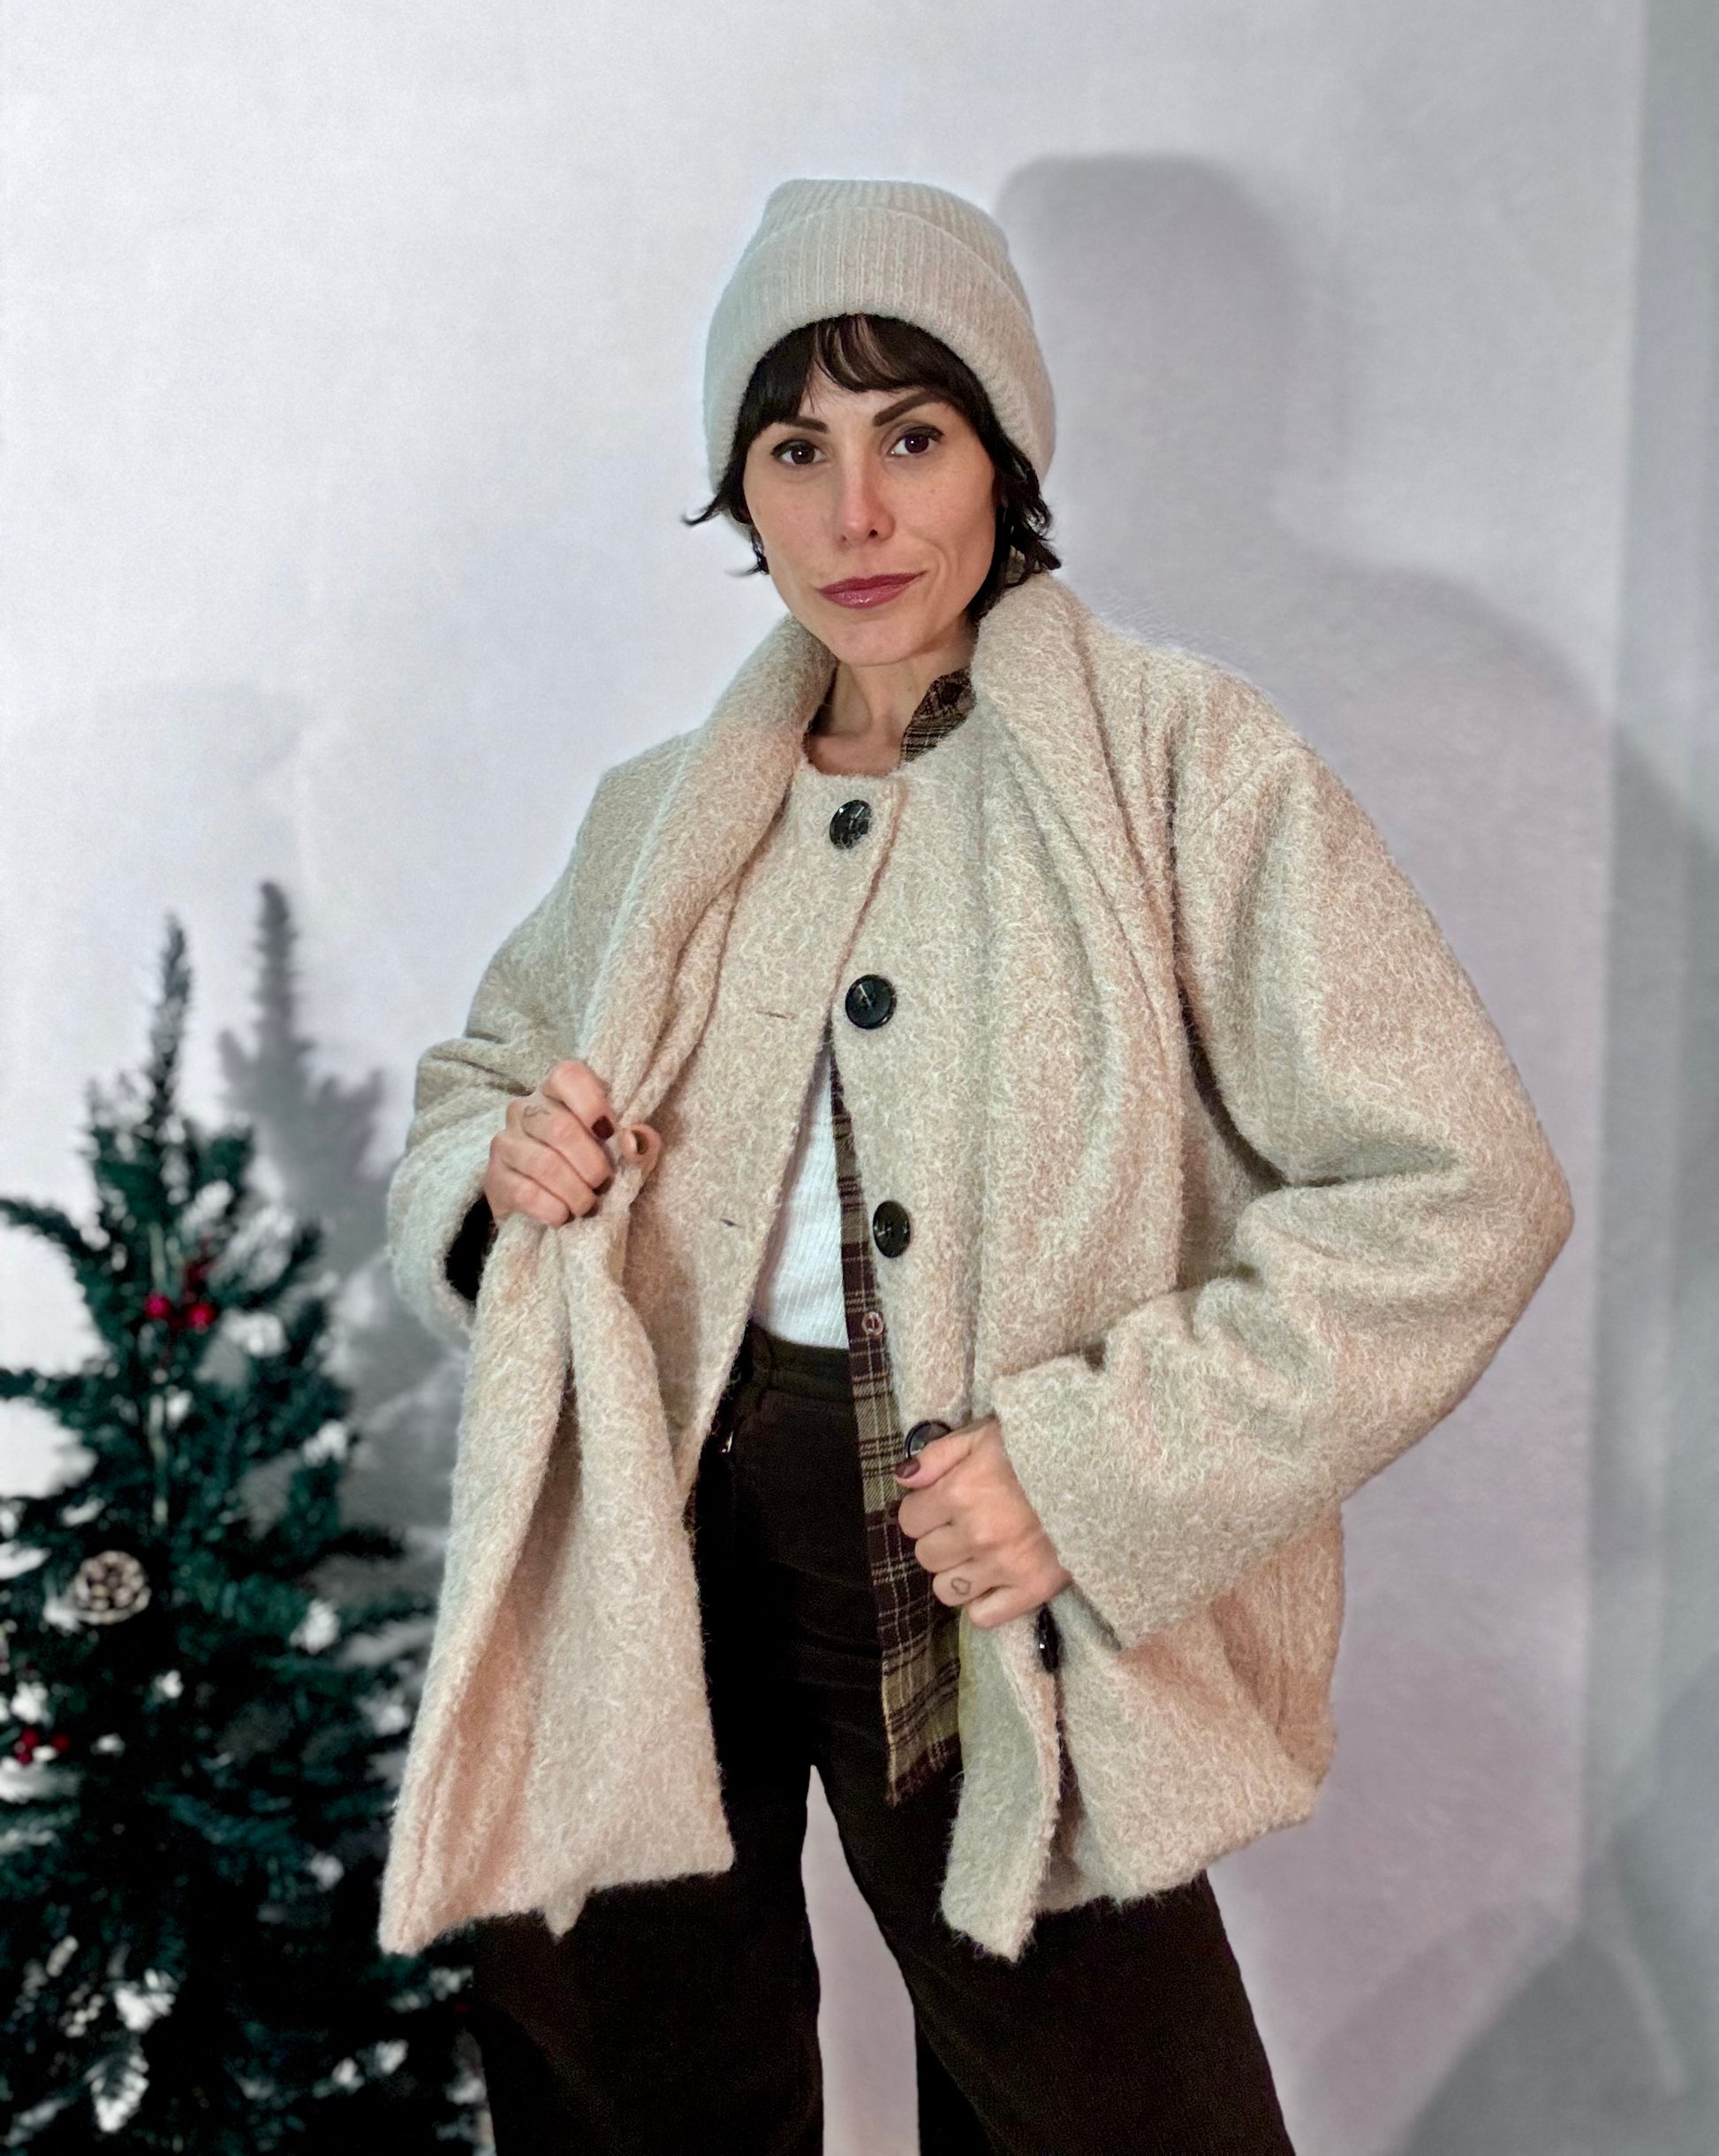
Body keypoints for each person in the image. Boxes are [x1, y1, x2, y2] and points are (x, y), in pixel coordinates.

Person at [378, 179, 1574, 2154]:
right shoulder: (664, 808)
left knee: (1109, 2098)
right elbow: (480, 1074)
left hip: (954, 1526)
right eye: (795, 450)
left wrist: (1101, 1467)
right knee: (625, 2061)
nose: (855, 514)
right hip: (650, 1510)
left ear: (1002, 454)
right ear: (740, 493)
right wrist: (501, 1169)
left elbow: (1455, 1190)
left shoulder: (1181, 764)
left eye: (911, 437)